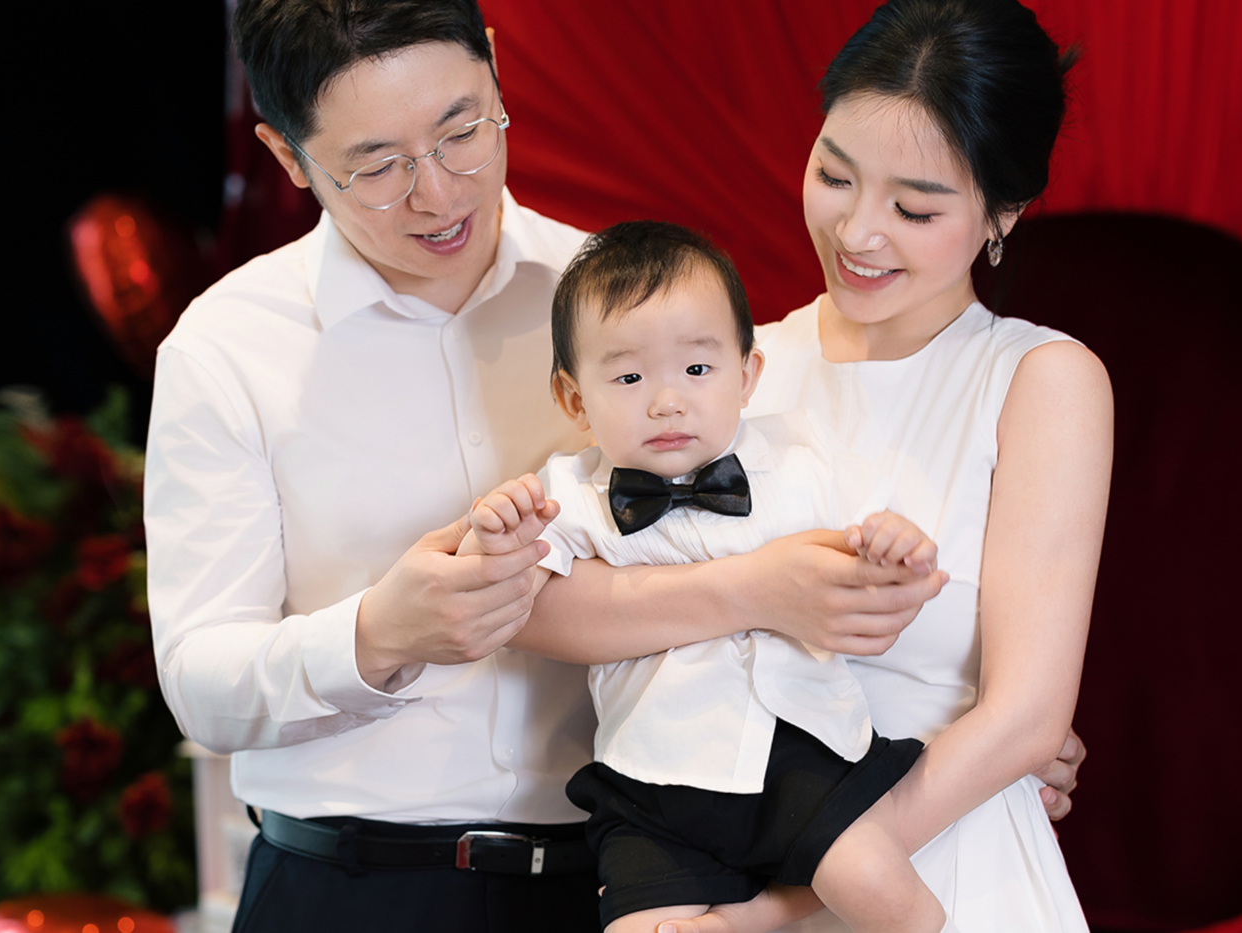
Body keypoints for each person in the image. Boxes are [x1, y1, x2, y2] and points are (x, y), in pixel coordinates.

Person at [143, 2, 996, 932]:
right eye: (378, 167)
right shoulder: (227, 351)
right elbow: (199, 682)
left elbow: (787, 551)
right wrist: (377, 633)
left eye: (462, 131)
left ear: (495, 65)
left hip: (623, 874)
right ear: (286, 155)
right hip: (348, 888)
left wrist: (973, 727)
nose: (439, 193)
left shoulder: (634, 310)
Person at [515, 1, 1111, 931]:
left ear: (1003, 211)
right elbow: (543, 598)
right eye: (835, 175)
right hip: (713, 854)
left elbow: (1027, 720)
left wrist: (773, 911)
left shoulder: (1041, 379)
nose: (858, 232)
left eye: (915, 208)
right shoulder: (719, 370)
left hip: (939, 862)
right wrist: (757, 589)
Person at [465, 219, 961, 933]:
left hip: (803, 751)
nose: (667, 401)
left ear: (747, 374)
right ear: (575, 400)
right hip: (652, 779)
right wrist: (498, 537)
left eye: (697, 370)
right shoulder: (566, 493)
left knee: (882, 890)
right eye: (629, 377)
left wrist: (895, 545)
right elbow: (512, 592)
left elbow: (872, 545)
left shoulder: (802, 460)